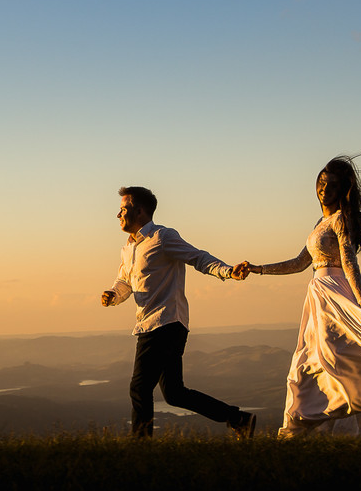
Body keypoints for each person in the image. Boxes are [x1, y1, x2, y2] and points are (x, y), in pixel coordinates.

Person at [241, 156, 361, 438]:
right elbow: (299, 262)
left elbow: (349, 262)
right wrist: (259, 269)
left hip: (335, 293)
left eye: (331, 185)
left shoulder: (340, 219)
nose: (324, 189)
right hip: (318, 297)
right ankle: (300, 426)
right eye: (321, 183)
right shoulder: (322, 221)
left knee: (342, 359)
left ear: (341, 189)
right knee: (312, 362)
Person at [101, 186, 257, 439]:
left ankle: (141, 450)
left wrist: (228, 271)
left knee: (139, 388)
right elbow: (125, 283)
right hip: (151, 325)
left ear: (140, 211)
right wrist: (112, 295)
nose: (117, 215)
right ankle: (239, 419)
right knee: (174, 394)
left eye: (123, 209)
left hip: (165, 323)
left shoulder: (162, 237)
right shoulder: (128, 249)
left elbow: (198, 257)